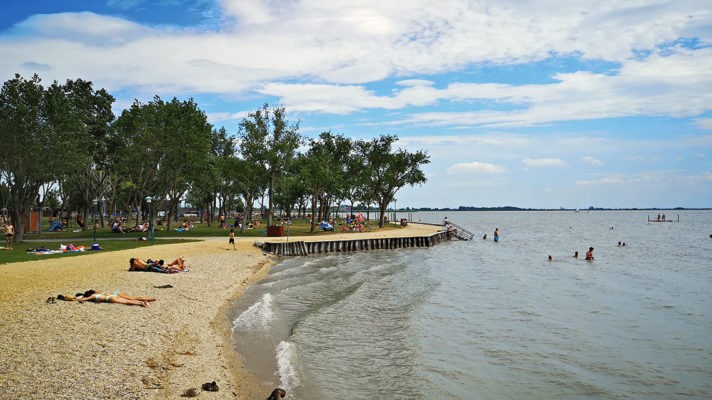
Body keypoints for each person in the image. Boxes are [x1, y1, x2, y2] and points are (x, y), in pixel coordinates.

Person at [76, 289, 155, 307]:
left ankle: (141, 303)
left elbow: (84, 299)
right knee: (131, 298)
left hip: (110, 298)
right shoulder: (98, 291)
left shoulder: (93, 296)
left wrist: (81, 298)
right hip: (115, 294)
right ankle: (146, 300)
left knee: (127, 302)